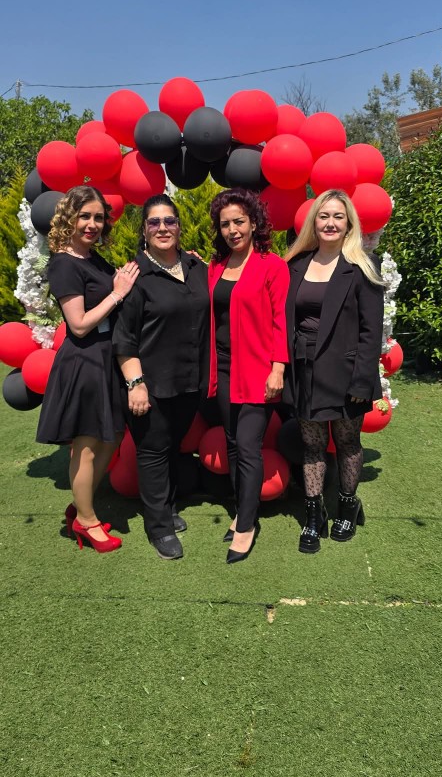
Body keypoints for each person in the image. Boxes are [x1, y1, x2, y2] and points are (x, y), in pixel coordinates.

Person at [37, 185, 139, 553]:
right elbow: (78, 324)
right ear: (69, 217)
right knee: (87, 446)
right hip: (84, 361)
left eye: (98, 217)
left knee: (110, 439)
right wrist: (117, 293)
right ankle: (86, 520)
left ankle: (81, 509)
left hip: (106, 358)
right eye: (85, 216)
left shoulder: (93, 258)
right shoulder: (64, 263)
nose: (92, 224)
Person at [284, 189, 384, 554]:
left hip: (346, 372)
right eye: (323, 216)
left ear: (349, 223)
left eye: (338, 216)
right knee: (311, 445)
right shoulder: (296, 264)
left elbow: (371, 330)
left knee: (347, 442)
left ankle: (346, 507)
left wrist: (363, 378)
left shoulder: (362, 266)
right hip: (304, 369)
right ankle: (315, 515)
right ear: (314, 222)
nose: (330, 223)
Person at [113, 194, 209, 561]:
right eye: (154, 222)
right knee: (153, 452)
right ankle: (159, 528)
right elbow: (125, 338)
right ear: (144, 230)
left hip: (190, 381)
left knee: (170, 447)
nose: (163, 228)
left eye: (169, 221)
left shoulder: (196, 267)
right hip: (150, 383)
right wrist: (135, 384)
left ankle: (166, 508)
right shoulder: (135, 276)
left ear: (179, 227)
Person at [208, 188, 290, 564]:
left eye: (239, 221)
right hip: (223, 369)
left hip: (258, 370)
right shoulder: (216, 267)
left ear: (254, 223)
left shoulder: (272, 266)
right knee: (232, 444)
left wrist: (278, 368)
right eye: (225, 224)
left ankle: (246, 526)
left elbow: (281, 321)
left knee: (247, 446)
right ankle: (243, 509)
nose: (232, 230)